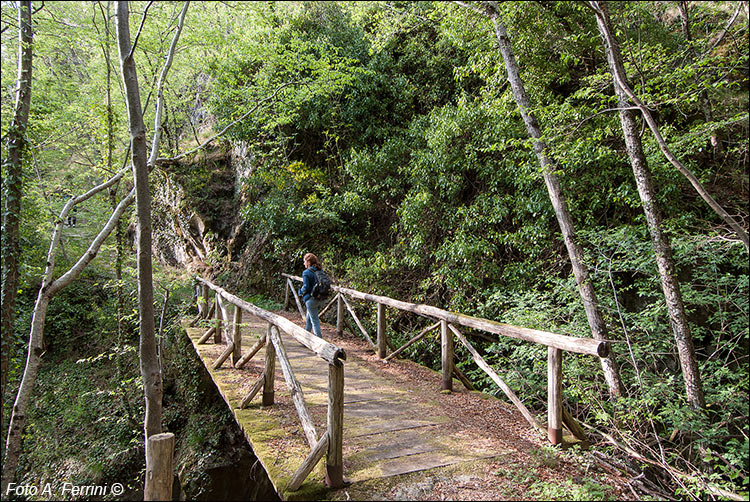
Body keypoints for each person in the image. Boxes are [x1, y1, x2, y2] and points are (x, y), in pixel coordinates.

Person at [298, 252, 324, 338]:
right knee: (309, 319)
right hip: (321, 298)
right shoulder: (320, 270)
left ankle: (320, 342)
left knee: (315, 321)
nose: (304, 263)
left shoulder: (306, 273)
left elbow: (306, 287)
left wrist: (300, 292)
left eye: (304, 261)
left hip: (311, 299)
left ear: (308, 262)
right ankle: (306, 338)